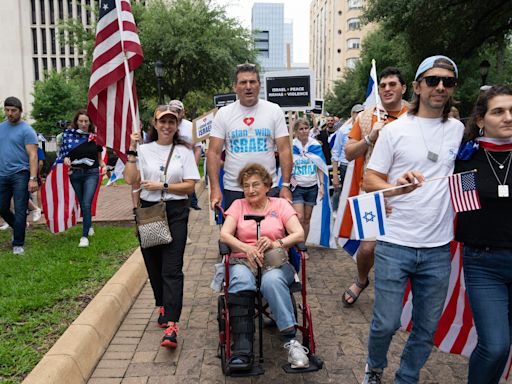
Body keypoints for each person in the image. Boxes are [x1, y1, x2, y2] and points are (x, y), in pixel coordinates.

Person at [361, 55, 464, 383]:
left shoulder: (458, 130)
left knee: (426, 327)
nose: (441, 87)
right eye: (433, 80)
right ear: (417, 86)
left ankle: (406, 377)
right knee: (386, 322)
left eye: (448, 81)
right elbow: (369, 179)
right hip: (395, 243)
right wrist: (394, 188)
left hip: (437, 248)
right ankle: (374, 368)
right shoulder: (394, 131)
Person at [124, 105, 199, 349]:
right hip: (150, 211)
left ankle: (172, 325)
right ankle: (163, 303)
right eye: (162, 121)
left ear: (177, 125)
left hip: (175, 212)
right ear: (154, 124)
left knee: (172, 268)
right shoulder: (144, 149)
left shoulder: (183, 151)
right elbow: (130, 179)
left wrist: (164, 186)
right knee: (154, 265)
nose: (166, 126)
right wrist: (132, 151)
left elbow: (189, 186)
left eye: (171, 122)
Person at [219, 163, 308, 370]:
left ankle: (292, 342)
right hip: (244, 260)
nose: (250, 190)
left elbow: (299, 234)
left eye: (256, 184)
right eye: (246, 185)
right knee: (241, 279)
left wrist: (276, 243)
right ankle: (242, 348)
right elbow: (224, 234)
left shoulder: (280, 205)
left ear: (267, 185)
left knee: (272, 280)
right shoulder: (238, 206)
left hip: (275, 263)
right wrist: (245, 248)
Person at [455, 85, 512, 384]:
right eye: (499, 111)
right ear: (480, 120)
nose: (508, 117)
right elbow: (463, 211)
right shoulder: (467, 159)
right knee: (495, 346)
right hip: (484, 263)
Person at [341, 67, 409, 307]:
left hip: (405, 192)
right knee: (368, 247)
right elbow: (348, 153)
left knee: (401, 246)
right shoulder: (366, 116)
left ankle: (396, 294)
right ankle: (361, 279)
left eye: (392, 84)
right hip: (369, 190)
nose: (387, 89)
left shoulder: (415, 115)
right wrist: (370, 138)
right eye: (383, 85)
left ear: (404, 88)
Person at [207, 63, 293, 211]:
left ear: (259, 85)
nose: (248, 86)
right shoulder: (224, 114)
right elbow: (213, 153)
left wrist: (285, 185)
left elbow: (285, 150)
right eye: (243, 82)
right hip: (234, 189)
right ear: (235, 87)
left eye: (252, 82)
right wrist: (215, 188)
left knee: (270, 233)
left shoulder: (274, 110)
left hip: (267, 188)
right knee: (233, 234)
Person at [61, 109, 106, 247]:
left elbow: (100, 160)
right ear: (76, 122)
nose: (84, 124)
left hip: (91, 173)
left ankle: (84, 236)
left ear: (90, 122)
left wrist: (104, 167)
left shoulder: (95, 137)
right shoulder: (68, 136)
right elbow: (63, 155)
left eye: (86, 121)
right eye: (81, 121)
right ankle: (89, 224)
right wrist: (66, 159)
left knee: (86, 203)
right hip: (75, 174)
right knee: (82, 203)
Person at [0, 97, 39, 254]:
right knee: (2, 207)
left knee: (21, 207)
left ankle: (18, 243)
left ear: (20, 111)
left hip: (20, 174)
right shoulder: (1, 128)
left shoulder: (27, 130)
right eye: (7, 110)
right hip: (2, 174)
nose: (10, 113)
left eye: (13, 110)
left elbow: (33, 155)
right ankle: (19, 226)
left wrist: (33, 178)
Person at [291, 118, 324, 240]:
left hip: (312, 186)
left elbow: (320, 166)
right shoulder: (292, 145)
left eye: (306, 128)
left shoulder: (315, 145)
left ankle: (303, 245)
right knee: (298, 217)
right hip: (297, 186)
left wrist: (322, 185)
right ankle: (297, 245)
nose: (304, 131)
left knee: (307, 218)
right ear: (296, 131)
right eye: (301, 129)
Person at [168, 99, 202, 210]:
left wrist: (194, 165)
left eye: (178, 111)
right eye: (172, 110)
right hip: (171, 165)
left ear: (183, 112)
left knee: (188, 186)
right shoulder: (166, 126)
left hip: (187, 164)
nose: (175, 114)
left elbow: (197, 148)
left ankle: (192, 203)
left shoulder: (191, 126)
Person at [331, 103, 364, 212]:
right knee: (345, 192)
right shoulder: (343, 131)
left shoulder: (366, 129)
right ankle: (340, 213)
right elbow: (335, 153)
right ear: (353, 114)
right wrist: (335, 174)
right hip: (346, 166)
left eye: (362, 112)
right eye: (358, 112)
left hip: (362, 166)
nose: (360, 115)